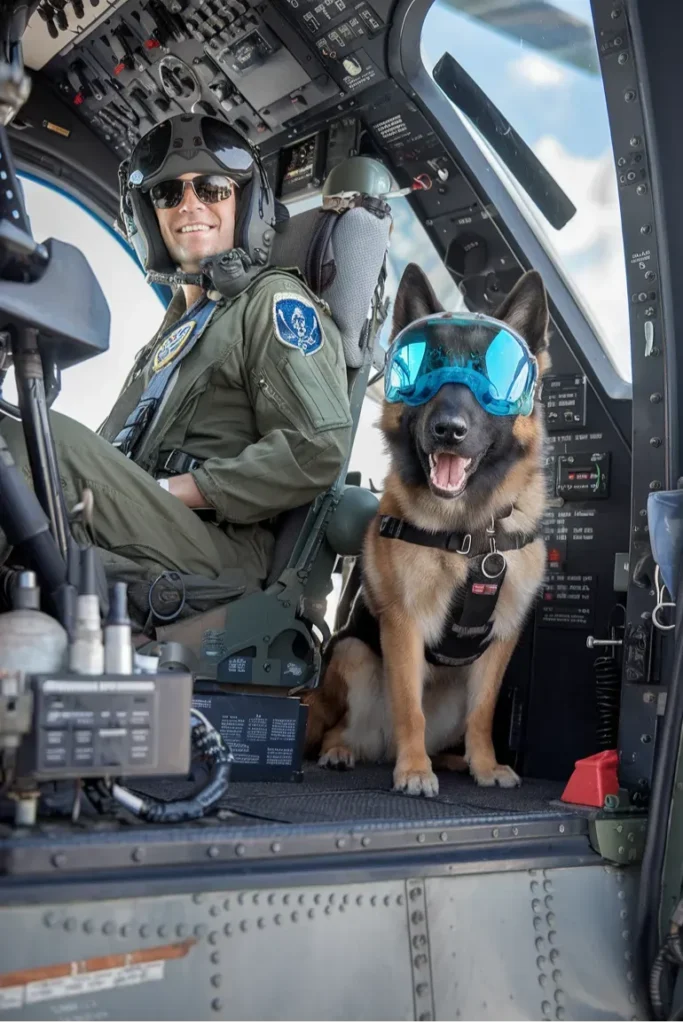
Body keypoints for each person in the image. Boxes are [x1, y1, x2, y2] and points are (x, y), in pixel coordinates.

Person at [0, 113, 352, 628]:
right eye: (169, 194)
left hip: (216, 546)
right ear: (149, 215)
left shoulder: (273, 302)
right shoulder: (178, 330)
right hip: (150, 518)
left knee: (32, 441)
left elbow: (316, 449)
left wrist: (175, 492)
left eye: (212, 189)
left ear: (243, 203)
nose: (191, 205)